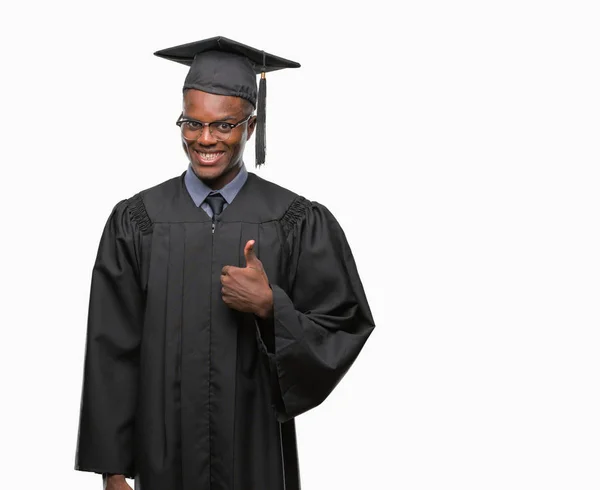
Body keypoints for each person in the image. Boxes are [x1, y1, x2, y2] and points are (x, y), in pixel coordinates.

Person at [75, 36, 375, 490]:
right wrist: (112, 469)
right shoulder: (137, 221)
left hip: (254, 453)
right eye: (191, 124)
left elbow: (344, 322)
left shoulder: (294, 220)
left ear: (250, 127)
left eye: (224, 126)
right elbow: (111, 350)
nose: (205, 139)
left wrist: (272, 308)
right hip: (162, 455)